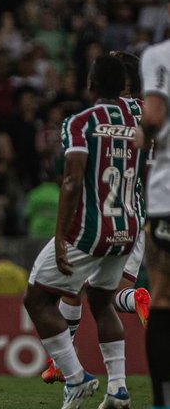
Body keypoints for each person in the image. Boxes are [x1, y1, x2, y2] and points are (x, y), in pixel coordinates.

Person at [23, 54, 148, 409]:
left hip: (90, 228)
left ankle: (75, 376)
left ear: (92, 84)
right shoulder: (142, 124)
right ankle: (118, 390)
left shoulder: (79, 122)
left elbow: (73, 178)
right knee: (103, 302)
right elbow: (145, 174)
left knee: (37, 298)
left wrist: (61, 236)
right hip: (128, 224)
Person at [139, 26, 170, 409]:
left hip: (168, 198)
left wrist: (139, 135)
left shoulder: (159, 54)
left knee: (162, 300)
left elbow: (154, 115)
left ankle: (164, 402)